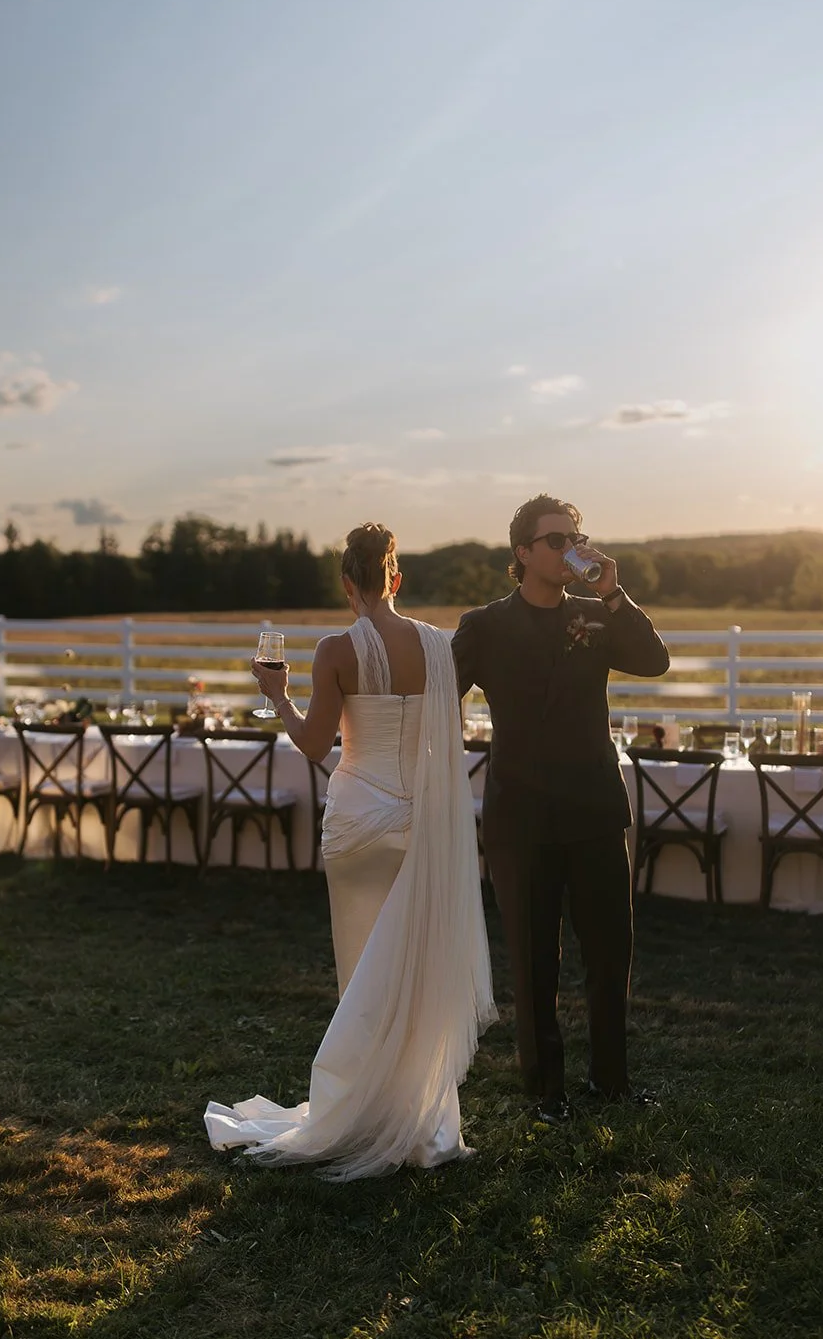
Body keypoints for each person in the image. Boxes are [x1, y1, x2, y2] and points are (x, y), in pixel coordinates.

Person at [204, 522, 496, 1180]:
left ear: (346, 584)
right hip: (420, 824)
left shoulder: (336, 649)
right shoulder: (437, 646)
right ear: (396, 578)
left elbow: (314, 745)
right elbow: (444, 738)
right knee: (413, 971)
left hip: (359, 822)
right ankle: (418, 1118)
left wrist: (277, 697)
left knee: (362, 973)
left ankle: (364, 1109)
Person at [452, 494, 670, 1124]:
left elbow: (654, 661)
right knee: (534, 962)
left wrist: (614, 594)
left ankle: (612, 1081)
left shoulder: (596, 614)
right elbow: (439, 695)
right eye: (556, 540)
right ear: (522, 553)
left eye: (575, 537)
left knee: (609, 954)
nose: (570, 549)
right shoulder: (485, 625)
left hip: (595, 806)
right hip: (521, 814)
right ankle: (546, 1091)